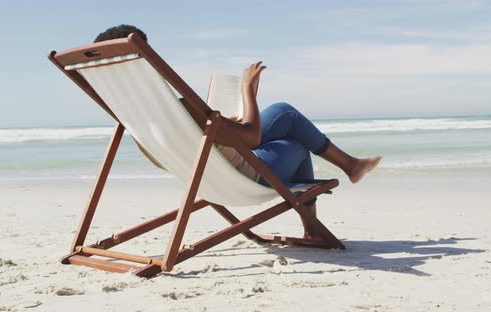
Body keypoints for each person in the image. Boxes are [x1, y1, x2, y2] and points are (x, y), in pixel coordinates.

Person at [93, 25, 382, 240]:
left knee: (283, 115)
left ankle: (349, 169)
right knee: (292, 131)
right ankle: (323, 210)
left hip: (210, 176)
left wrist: (222, 124)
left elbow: (197, 146)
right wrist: (246, 90)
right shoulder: (181, 110)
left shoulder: (136, 118)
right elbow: (252, 138)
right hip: (246, 176)